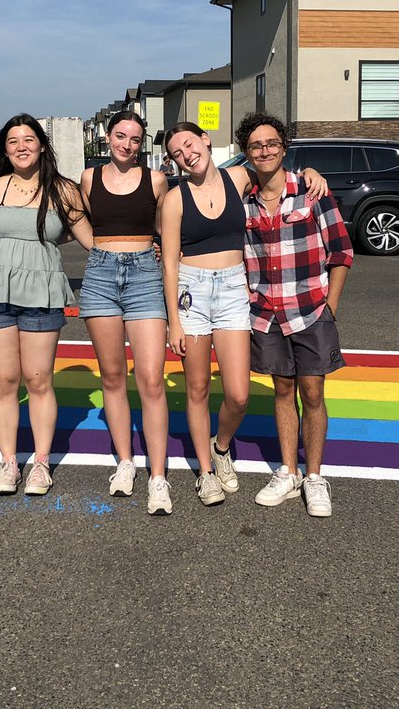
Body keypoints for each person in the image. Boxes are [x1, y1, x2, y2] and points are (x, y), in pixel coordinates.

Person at [160, 122, 327, 506]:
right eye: (177, 153)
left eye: (189, 144)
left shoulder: (238, 178)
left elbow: (276, 173)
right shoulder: (175, 199)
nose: (186, 155)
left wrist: (310, 173)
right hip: (191, 293)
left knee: (238, 393)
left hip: (235, 289)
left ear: (205, 140)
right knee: (198, 388)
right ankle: (205, 472)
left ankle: (221, 447)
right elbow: (168, 263)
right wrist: (175, 320)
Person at [0, 114, 92, 497]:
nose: (22, 146)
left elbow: (92, 239)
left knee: (38, 381)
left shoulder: (65, 191)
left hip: (42, 293)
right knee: (3, 382)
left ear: (41, 145)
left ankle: (39, 463)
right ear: (5, 149)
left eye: (29, 139)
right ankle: (8, 463)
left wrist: (147, 243)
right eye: (13, 141)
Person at [235, 114, 353, 518]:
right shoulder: (243, 198)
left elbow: (341, 252)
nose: (264, 151)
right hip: (265, 312)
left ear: (283, 148)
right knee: (282, 391)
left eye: (271, 143)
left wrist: (330, 306)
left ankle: (315, 475)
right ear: (246, 153)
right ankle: (288, 472)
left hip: (310, 310)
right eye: (255, 145)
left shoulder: (311, 191)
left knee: (313, 393)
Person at [78, 110, 172, 514]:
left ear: (142, 143)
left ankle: (158, 477)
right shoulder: (89, 178)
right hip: (100, 277)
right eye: (120, 137)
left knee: (151, 379)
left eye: (135, 139)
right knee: (113, 376)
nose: (127, 145)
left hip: (146, 277)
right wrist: (95, 250)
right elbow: (77, 217)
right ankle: (126, 462)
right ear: (108, 137)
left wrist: (163, 252)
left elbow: (171, 226)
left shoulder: (156, 180)